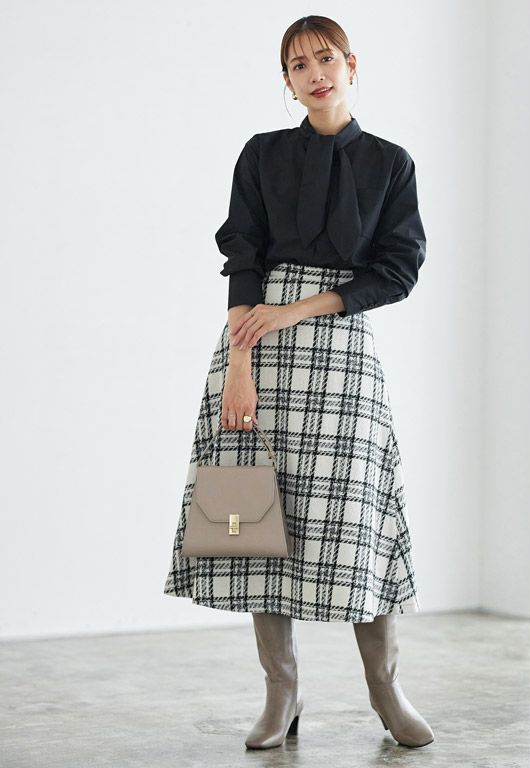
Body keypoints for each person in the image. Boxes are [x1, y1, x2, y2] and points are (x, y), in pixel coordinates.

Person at [164, 15, 434, 751]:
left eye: (324, 58)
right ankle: (281, 692)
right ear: (285, 81)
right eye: (297, 65)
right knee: (255, 517)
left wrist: (300, 309)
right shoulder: (261, 154)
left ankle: (385, 688)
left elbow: (397, 270)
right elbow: (243, 258)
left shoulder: (390, 163)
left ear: (352, 63)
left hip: (340, 348)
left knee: (356, 520)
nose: (314, 74)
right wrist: (240, 367)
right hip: (257, 346)